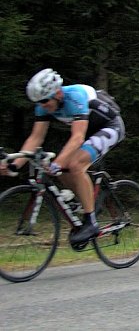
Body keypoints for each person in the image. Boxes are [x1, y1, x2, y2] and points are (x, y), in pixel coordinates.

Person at [0, 69, 125, 246]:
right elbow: (36, 138)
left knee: (73, 165)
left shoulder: (75, 96)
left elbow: (77, 137)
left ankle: (91, 223)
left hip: (110, 126)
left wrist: (58, 163)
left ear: (57, 93)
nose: (42, 105)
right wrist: (14, 165)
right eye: (38, 102)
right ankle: (83, 201)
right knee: (62, 167)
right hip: (89, 130)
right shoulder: (43, 105)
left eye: (45, 101)